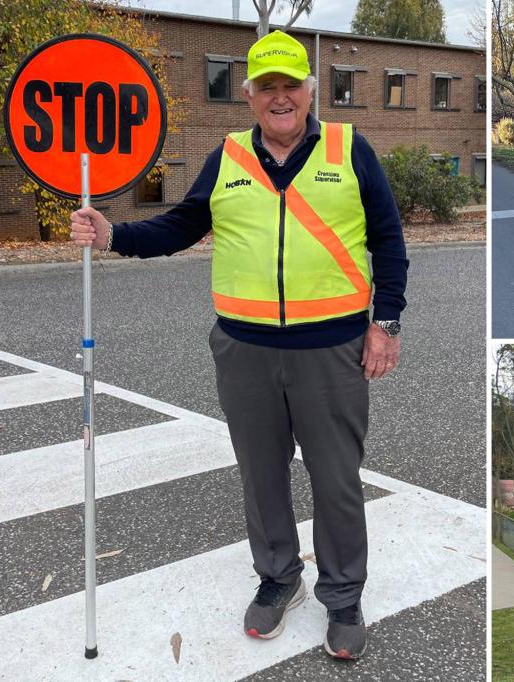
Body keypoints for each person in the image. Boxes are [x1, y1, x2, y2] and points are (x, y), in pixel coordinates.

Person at [69, 30, 407, 661]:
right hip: (244, 350)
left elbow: (388, 241)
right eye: (267, 88)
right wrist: (115, 234)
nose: (281, 98)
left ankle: (343, 598)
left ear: (310, 90)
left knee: (336, 480)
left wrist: (385, 323)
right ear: (249, 96)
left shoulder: (349, 149)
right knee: (261, 476)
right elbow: (182, 225)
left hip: (332, 352)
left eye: (291, 86)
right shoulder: (226, 156)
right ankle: (280, 578)